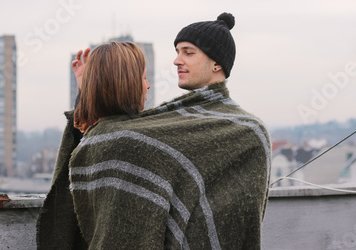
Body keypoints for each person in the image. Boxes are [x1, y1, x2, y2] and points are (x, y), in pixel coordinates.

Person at [37, 13, 271, 250]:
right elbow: (112, 137)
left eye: (188, 53)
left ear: (217, 63)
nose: (177, 61)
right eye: (177, 51)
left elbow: (238, 212)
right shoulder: (160, 122)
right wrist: (88, 91)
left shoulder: (247, 131)